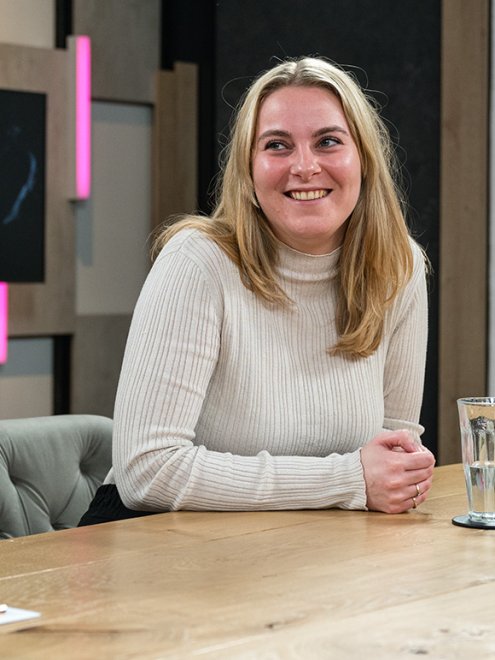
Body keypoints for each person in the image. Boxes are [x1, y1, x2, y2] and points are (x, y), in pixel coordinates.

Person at [79, 56, 435, 526]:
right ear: (248, 173)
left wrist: (392, 480)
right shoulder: (198, 261)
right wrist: (347, 479)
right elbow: (147, 471)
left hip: (305, 542)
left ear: (365, 161)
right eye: (277, 145)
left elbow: (395, 457)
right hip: (153, 540)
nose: (304, 166)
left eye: (328, 141)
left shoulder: (397, 268)